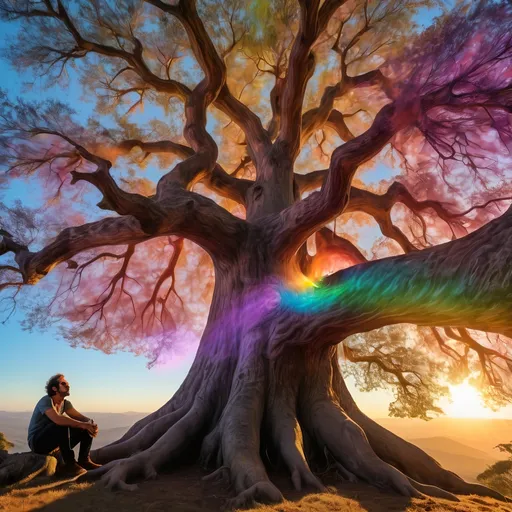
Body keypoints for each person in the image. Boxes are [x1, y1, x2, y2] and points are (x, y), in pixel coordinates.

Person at [27, 374, 102, 478]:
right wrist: (83, 424)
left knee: (85, 428)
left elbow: (79, 417)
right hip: (38, 442)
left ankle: (84, 461)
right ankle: (69, 465)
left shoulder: (65, 404)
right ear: (54, 388)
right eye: (63, 383)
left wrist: (91, 423)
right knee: (61, 424)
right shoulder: (46, 400)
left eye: (67, 384)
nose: (68, 386)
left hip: (54, 442)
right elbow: (57, 419)